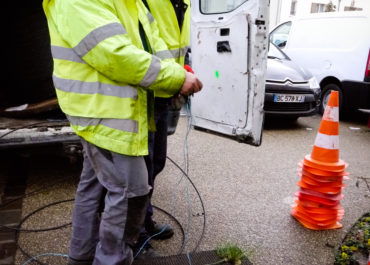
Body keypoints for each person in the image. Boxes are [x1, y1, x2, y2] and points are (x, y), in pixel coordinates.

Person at [42, 0, 202, 265]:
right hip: (103, 112)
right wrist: (175, 79)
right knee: (132, 191)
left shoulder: (131, 2)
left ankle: (80, 258)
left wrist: (177, 74)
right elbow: (115, 55)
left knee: (93, 187)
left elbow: (152, 46)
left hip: (115, 110)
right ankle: (110, 260)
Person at [134, 0, 192, 259]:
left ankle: (145, 221)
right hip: (145, 92)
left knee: (156, 163)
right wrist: (175, 76)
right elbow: (142, 43)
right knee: (140, 169)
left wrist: (183, 71)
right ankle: (137, 237)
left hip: (166, 91)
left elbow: (177, 47)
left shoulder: (186, 3)